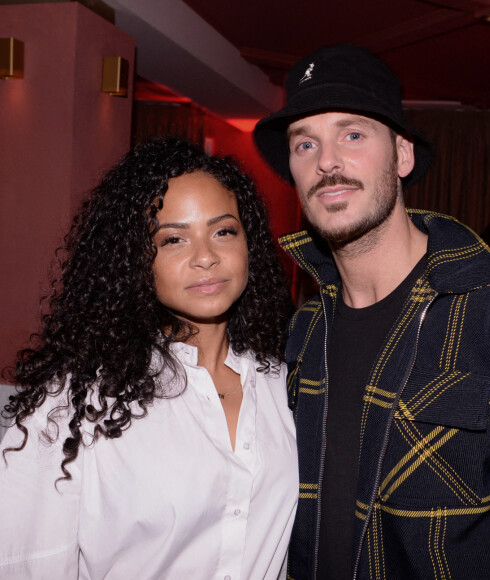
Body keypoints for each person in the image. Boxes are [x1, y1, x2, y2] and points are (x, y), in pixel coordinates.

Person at [253, 44, 490, 579]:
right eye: (304, 143)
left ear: (402, 156)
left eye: (352, 134)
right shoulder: (304, 330)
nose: (327, 161)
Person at [0, 138, 298, 578]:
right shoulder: (75, 406)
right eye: (173, 239)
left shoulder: (284, 382)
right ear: (136, 259)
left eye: (223, 231)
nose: (206, 257)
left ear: (249, 243)